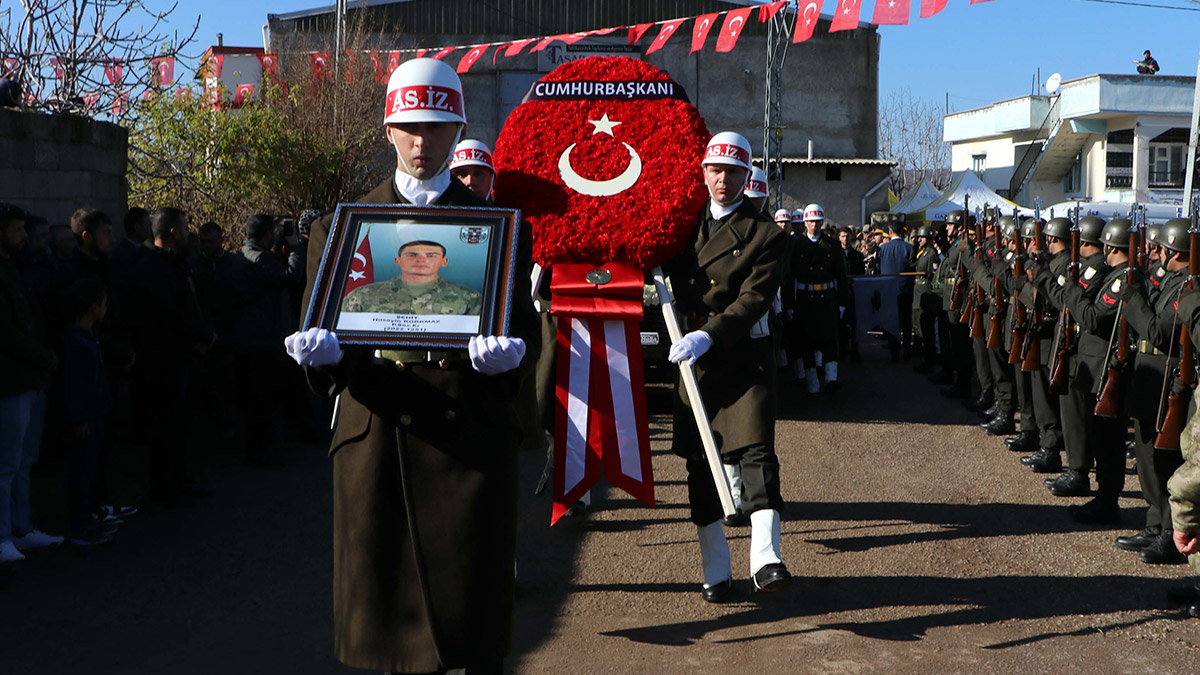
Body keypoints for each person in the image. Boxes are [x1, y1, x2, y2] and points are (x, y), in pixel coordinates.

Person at [284, 57, 538, 674]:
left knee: (469, 615)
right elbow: (319, 337)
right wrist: (322, 361)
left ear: (458, 131)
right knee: (383, 623)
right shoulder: (340, 227)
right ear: (388, 130)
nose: (423, 142)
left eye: (437, 127)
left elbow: (523, 334)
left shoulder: (500, 228)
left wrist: (509, 359)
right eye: (410, 127)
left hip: (466, 429)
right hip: (378, 430)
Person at [662, 130, 790, 602]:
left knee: (756, 451)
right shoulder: (680, 227)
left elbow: (755, 299)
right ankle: (716, 568)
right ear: (702, 173)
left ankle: (765, 555)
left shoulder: (767, 234)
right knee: (700, 465)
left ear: (746, 175)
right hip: (692, 359)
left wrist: (709, 334)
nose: (723, 179)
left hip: (739, 353)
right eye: (715, 170)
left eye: (733, 171)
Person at [127, 207, 216, 507]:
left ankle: (181, 479)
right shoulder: (150, 265)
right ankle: (164, 488)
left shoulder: (178, 263)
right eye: (186, 227)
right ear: (174, 232)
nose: (190, 232)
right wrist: (199, 335)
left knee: (182, 424)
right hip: (164, 360)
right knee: (165, 425)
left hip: (185, 356)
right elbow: (166, 312)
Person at [1114, 217, 1189, 564]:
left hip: (1165, 379)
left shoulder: (1187, 286)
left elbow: (1160, 332)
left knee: (1165, 461)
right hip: (1148, 378)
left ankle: (1171, 535)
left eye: (1161, 249)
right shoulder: (1167, 280)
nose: (1155, 254)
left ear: (1177, 252)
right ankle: (1155, 522)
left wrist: (1133, 303)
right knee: (1145, 456)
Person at [0, 202, 63, 563]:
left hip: (28, 379)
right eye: (17, 230)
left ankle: (20, 529)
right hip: (10, 382)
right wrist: (42, 357)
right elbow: (6, 333)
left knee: (22, 461)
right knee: (6, 464)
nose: (23, 237)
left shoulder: (16, 269)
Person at [234, 214, 304, 466]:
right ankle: (263, 453)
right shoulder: (260, 259)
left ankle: (261, 450)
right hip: (262, 341)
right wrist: (295, 247)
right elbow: (291, 276)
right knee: (264, 401)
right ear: (266, 234)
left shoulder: (244, 255)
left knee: (258, 402)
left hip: (253, 339)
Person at [55, 278, 115, 546]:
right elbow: (73, 385)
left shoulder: (87, 337)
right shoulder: (76, 341)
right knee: (81, 471)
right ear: (93, 307)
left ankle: (88, 518)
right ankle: (79, 525)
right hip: (84, 419)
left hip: (94, 415)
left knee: (89, 469)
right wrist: (78, 418)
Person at [783, 203, 849, 397]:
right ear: (805, 222)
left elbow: (841, 277)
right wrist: (789, 305)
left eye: (818, 221)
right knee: (807, 341)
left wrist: (843, 302)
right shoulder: (795, 245)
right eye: (811, 221)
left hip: (827, 298)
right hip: (805, 299)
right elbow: (789, 277)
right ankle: (812, 383)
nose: (815, 225)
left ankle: (831, 378)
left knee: (829, 338)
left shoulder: (833, 245)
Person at [343, 240, 482, 316]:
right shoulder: (361, 296)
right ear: (397, 260)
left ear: (444, 261)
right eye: (412, 255)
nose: (421, 260)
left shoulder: (470, 298)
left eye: (431, 255)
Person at [877, 219, 915, 362]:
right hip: (905, 290)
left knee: (892, 321)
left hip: (888, 290)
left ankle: (894, 352)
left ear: (890, 232)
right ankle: (906, 350)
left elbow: (878, 269)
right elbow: (912, 268)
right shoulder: (909, 248)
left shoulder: (882, 249)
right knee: (906, 322)